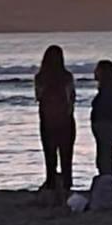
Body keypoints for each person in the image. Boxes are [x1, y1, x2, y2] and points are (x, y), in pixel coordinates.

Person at [34, 45, 77, 191]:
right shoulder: (67, 76)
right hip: (66, 121)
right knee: (66, 157)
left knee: (50, 157)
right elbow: (72, 98)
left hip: (47, 121)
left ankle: (51, 184)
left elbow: (38, 97)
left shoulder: (40, 77)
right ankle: (66, 186)